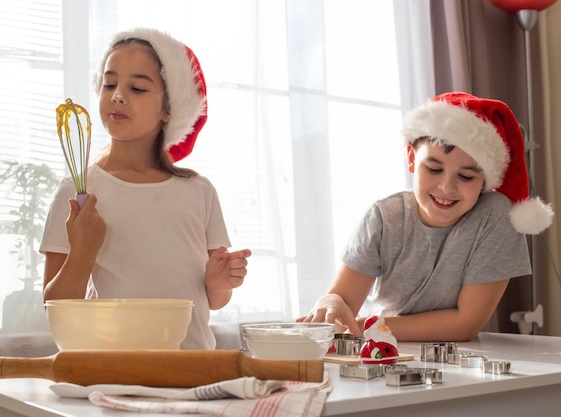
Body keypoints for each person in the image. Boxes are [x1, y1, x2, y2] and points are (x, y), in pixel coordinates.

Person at [40, 28, 251, 349]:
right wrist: (81, 253)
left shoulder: (199, 191)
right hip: (111, 371)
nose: (118, 95)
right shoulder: (79, 190)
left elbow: (216, 299)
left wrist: (218, 283)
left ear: (171, 107)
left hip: (190, 371)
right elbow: (56, 308)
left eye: (137, 87)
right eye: (109, 84)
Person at [298, 92, 554, 342]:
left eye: (466, 176)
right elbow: (342, 303)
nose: (447, 187)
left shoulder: (495, 217)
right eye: (433, 168)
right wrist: (330, 301)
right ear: (411, 158)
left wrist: (368, 326)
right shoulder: (384, 216)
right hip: (383, 351)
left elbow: (465, 325)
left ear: (485, 180)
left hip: (407, 346)